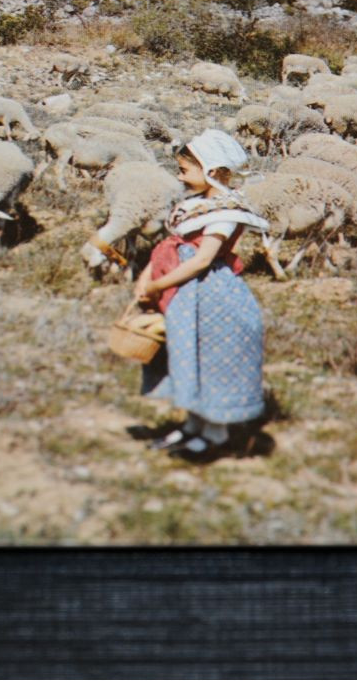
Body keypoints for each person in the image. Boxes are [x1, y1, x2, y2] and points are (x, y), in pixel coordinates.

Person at [132, 129, 270, 463]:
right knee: (186, 353)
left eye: (185, 170)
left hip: (212, 295)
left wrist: (157, 286)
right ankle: (193, 425)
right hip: (184, 294)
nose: (180, 177)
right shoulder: (195, 205)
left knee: (211, 358)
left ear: (210, 169)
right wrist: (147, 277)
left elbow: (203, 260)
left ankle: (214, 434)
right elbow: (172, 244)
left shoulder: (223, 210)